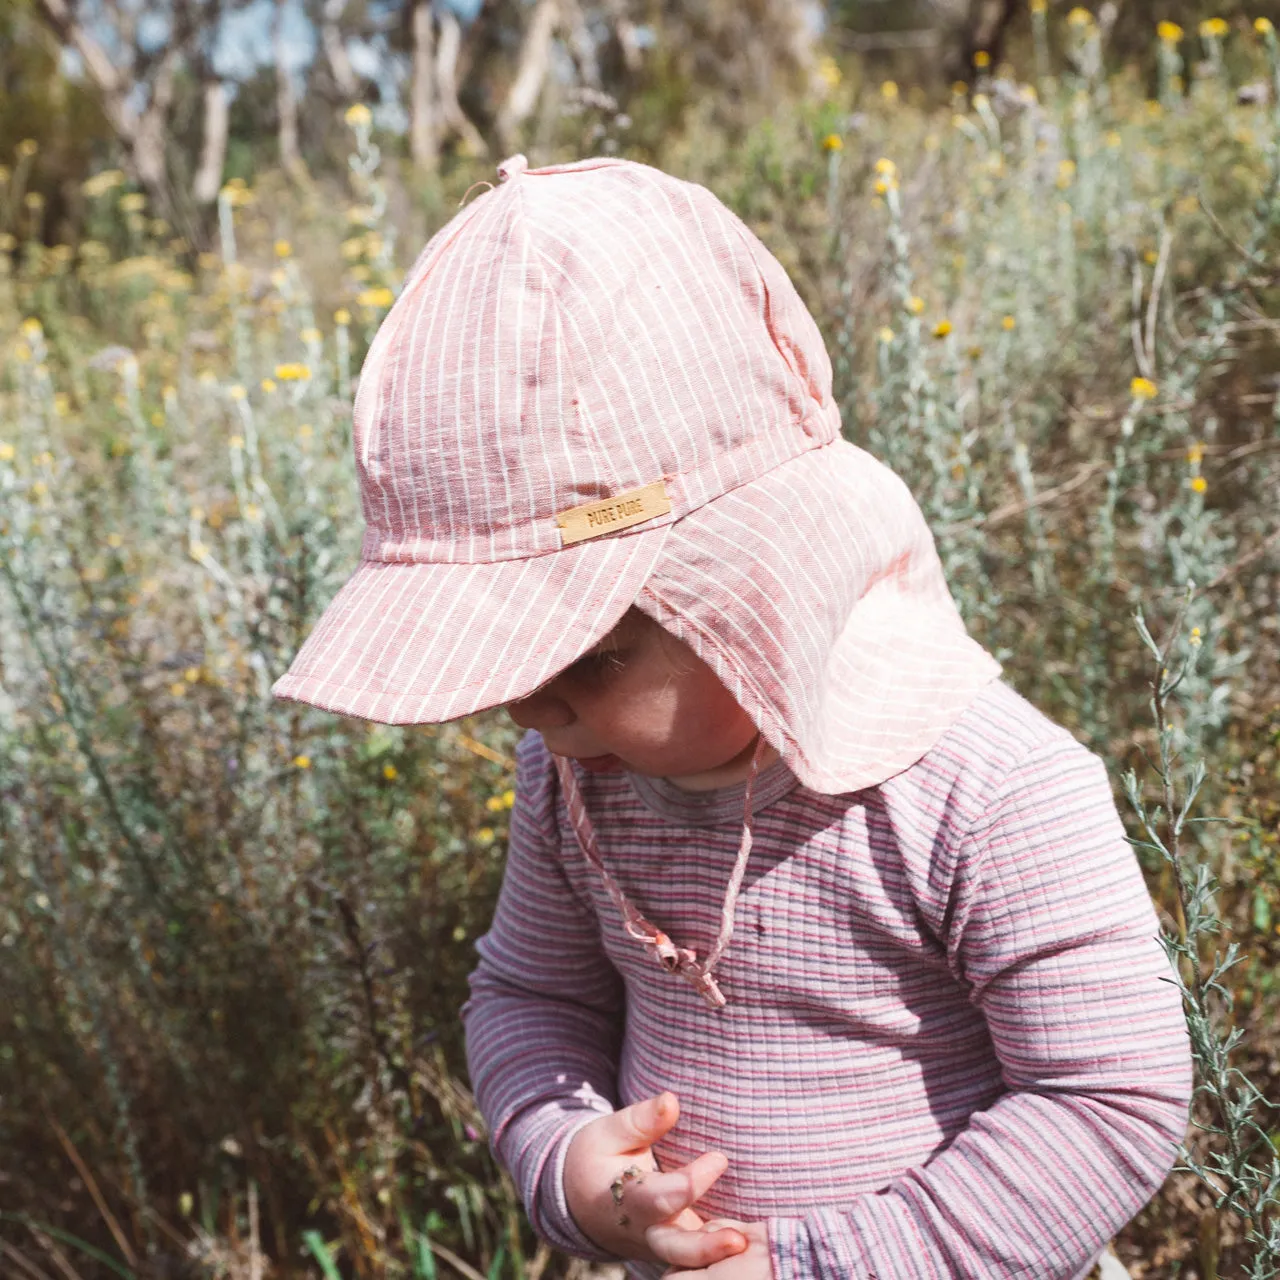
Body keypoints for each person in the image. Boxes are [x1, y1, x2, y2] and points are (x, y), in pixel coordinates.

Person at [273, 154, 1192, 1280]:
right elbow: (530, 993)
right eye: (513, 654)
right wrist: (573, 1169)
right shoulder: (574, 776)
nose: (527, 701)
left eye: (588, 654)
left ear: (758, 590)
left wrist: (818, 1265)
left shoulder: (983, 788)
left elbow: (1107, 1095)